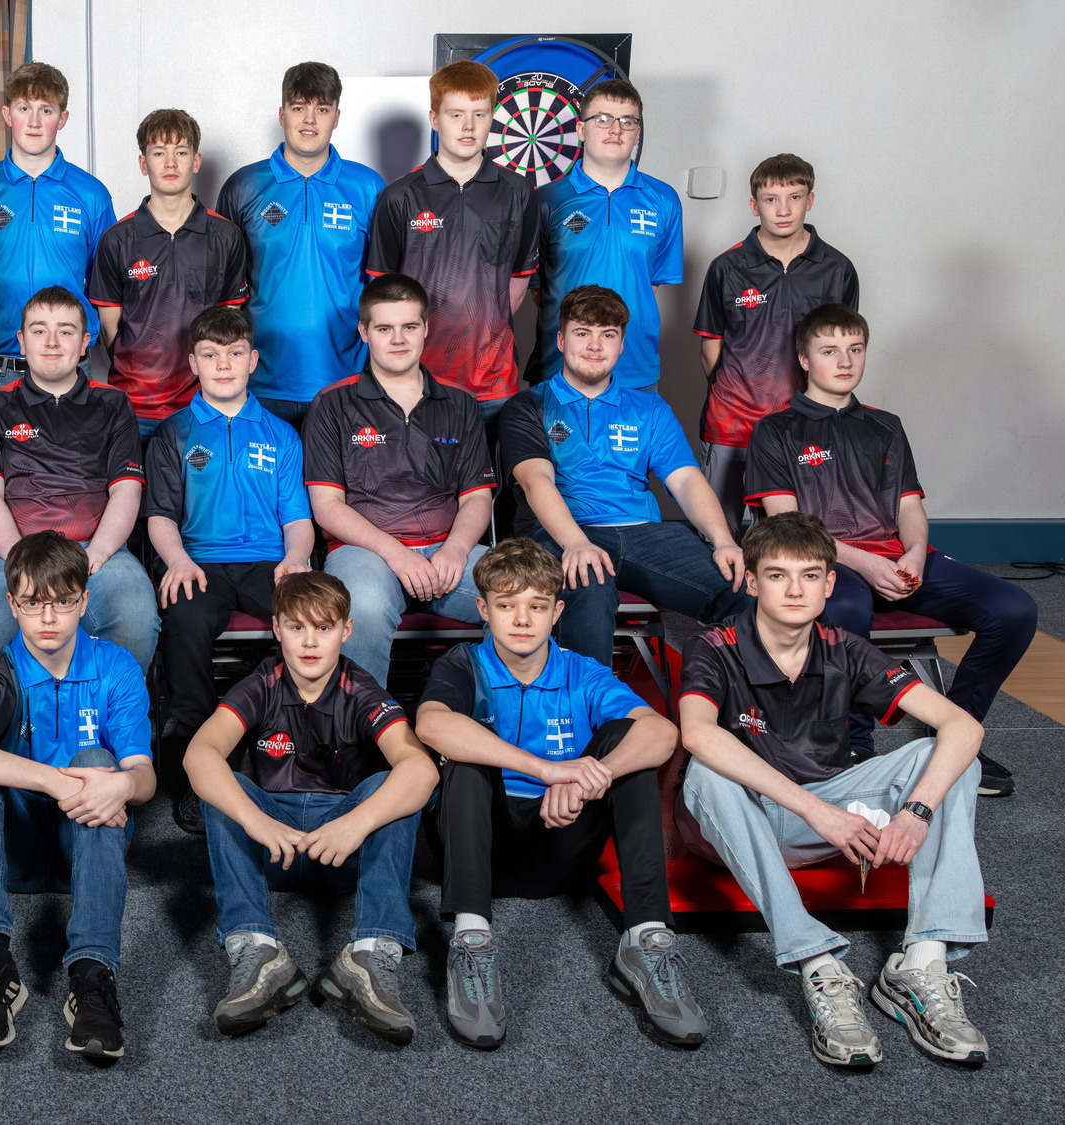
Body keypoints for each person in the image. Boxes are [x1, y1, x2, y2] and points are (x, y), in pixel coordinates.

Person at [679, 511, 991, 1071]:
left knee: (948, 757)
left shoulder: (844, 646)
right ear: (751, 581)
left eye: (809, 575)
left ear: (829, 584)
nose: (794, 590)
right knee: (707, 770)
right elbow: (698, 733)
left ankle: (921, 963)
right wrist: (819, 812)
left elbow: (964, 727)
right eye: (777, 575)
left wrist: (916, 812)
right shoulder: (716, 646)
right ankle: (818, 962)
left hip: (821, 813)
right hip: (742, 821)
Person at [414, 538, 705, 1049]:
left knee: (629, 743)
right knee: (466, 750)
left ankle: (646, 939)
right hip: (476, 846)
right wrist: (549, 771)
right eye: (507, 605)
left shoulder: (581, 671)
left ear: (557, 613)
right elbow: (431, 724)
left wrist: (589, 778)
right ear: (483, 609)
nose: (522, 620)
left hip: (561, 844)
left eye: (537, 606)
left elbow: (663, 733)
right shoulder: (465, 664)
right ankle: (471, 939)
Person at [746, 304, 1034, 796]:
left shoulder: (886, 426)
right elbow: (785, 523)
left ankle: (953, 736)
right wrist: (862, 562)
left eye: (855, 349)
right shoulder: (775, 430)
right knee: (846, 608)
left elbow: (909, 508)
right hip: (824, 560)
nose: (845, 361)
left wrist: (915, 554)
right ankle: (853, 748)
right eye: (830, 351)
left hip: (898, 560)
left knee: (1014, 610)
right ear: (805, 359)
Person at [0, 531, 154, 1061]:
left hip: (87, 850)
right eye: (31, 603)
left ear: (84, 601)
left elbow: (143, 775)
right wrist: (51, 780)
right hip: (13, 852)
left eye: (62, 602)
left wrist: (123, 783)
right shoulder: (0, 671)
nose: (47, 618)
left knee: (98, 764)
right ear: (12, 604)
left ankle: (92, 976)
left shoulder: (116, 667)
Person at [184, 572, 435, 1044]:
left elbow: (421, 769)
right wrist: (255, 820)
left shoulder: (362, 691)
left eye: (324, 627)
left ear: (347, 630)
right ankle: (257, 950)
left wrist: (357, 823)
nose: (310, 642)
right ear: (276, 629)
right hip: (272, 848)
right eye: (297, 627)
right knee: (223, 785)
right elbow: (199, 754)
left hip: (344, 849)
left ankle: (371, 953)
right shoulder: (261, 684)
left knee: (394, 784)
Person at [500, 284, 752, 665]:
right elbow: (537, 482)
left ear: (621, 345)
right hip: (562, 533)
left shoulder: (649, 407)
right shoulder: (529, 405)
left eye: (608, 335)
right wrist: (576, 542)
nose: (594, 346)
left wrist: (723, 541)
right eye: (582, 333)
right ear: (561, 340)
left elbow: (686, 481)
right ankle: (591, 702)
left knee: (741, 587)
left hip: (643, 533)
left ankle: (739, 699)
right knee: (588, 584)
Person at [145, 305, 313, 832]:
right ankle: (196, 752)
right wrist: (177, 561)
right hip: (200, 562)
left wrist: (297, 559)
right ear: (193, 363)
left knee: (306, 617)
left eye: (235, 353)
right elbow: (160, 516)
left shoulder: (281, 434)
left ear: (253, 360)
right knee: (185, 617)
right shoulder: (174, 432)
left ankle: (283, 741)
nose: (223, 364)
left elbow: (298, 518)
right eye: (211, 355)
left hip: (269, 561)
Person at [303, 273, 495, 687]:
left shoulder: (460, 402)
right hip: (363, 553)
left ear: (426, 328)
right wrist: (398, 555)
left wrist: (455, 550)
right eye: (384, 329)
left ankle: (493, 716)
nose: (398, 339)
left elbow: (477, 497)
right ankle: (365, 723)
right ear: (364, 332)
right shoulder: (332, 403)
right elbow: (327, 507)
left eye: (409, 326)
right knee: (366, 607)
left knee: (522, 596)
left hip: (447, 552)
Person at [0, 287, 159, 671]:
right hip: (10, 550)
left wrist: (98, 553)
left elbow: (126, 492)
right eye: (39, 331)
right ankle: (15, 709)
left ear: (85, 342)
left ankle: (109, 707)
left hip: (95, 550)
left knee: (136, 616)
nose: (52, 342)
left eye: (66, 331)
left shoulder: (113, 404)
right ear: (21, 341)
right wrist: (20, 558)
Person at [694, 154, 859, 531]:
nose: (783, 210)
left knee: (792, 537)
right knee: (720, 534)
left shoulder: (838, 269)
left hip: (802, 427)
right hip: (731, 423)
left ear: (810, 200)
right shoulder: (726, 267)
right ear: (754, 205)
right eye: (771, 199)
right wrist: (736, 392)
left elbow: (842, 350)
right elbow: (710, 350)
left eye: (794, 197)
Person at [364, 60, 538, 418]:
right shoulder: (399, 196)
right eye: (456, 115)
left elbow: (518, 280)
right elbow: (383, 290)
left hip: (493, 382)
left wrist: (483, 330)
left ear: (492, 118)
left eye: (479, 114)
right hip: (417, 381)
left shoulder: (518, 192)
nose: (468, 126)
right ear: (434, 118)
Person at [217, 62, 384, 429]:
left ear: (336, 117)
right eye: (298, 108)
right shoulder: (243, 186)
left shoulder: (367, 187)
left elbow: (383, 292)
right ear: (282, 115)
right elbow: (225, 289)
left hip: (346, 382)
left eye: (322, 109)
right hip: (259, 382)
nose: (309, 120)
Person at [0, 61, 115, 397]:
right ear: (6, 114)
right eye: (24, 108)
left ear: (63, 119)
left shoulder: (92, 194)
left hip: (69, 367)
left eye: (46, 110)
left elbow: (105, 283)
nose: (34, 122)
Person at [88, 108, 249, 441]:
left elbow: (228, 327)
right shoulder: (116, 239)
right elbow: (110, 331)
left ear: (196, 161)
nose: (171, 163)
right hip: (132, 408)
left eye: (181, 152)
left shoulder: (227, 236)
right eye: (159, 153)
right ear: (143, 163)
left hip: (203, 406)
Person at [531, 79, 683, 393]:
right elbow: (536, 289)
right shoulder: (545, 199)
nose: (615, 130)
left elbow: (650, 283)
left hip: (634, 368)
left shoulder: (664, 199)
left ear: (637, 133)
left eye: (627, 121)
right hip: (558, 368)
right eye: (602, 119)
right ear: (581, 129)